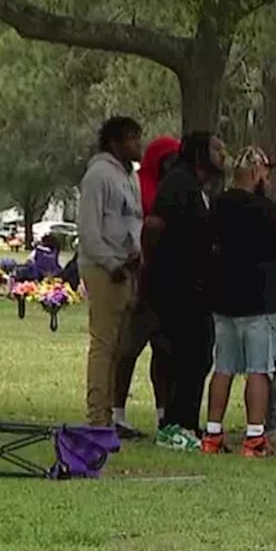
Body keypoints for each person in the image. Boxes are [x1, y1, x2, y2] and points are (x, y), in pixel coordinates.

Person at [201, 146, 276, 457]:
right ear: (255, 174)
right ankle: (255, 436)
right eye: (265, 171)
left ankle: (212, 433)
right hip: (258, 300)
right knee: (258, 369)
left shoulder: (217, 205)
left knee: (223, 367)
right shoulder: (262, 208)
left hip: (224, 300)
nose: (268, 177)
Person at [146, 131, 227, 451]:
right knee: (187, 355)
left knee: (198, 355)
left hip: (197, 288)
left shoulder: (200, 188)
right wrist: (153, 271)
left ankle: (185, 422)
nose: (223, 154)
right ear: (198, 153)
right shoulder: (178, 184)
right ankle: (175, 424)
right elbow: (154, 227)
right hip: (177, 285)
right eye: (217, 148)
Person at [77, 116, 144, 428]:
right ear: (116, 142)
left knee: (120, 345)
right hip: (105, 268)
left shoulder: (131, 177)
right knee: (103, 344)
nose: (137, 145)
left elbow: (133, 220)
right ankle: (96, 416)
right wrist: (111, 263)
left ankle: (109, 411)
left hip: (127, 267)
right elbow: (88, 231)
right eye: (132, 139)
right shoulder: (99, 175)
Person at [112, 134, 179, 438]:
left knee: (163, 353)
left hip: (165, 280)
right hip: (141, 274)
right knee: (127, 350)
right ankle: (117, 413)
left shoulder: (174, 187)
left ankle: (163, 414)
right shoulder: (138, 185)